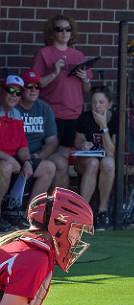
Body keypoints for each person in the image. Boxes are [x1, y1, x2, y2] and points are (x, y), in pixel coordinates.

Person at [32, 14, 93, 173]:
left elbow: (87, 90)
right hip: (52, 113)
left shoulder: (78, 56)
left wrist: (85, 78)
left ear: (72, 33)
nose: (64, 33)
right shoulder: (44, 53)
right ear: (52, 32)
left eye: (68, 29)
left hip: (74, 114)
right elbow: (35, 85)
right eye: (59, 29)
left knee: (65, 158)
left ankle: (61, 195)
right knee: (54, 158)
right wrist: (54, 72)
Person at [73, 86, 117, 230]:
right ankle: (82, 213)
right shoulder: (85, 117)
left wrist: (103, 126)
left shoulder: (116, 119)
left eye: (101, 102)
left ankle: (102, 211)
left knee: (108, 163)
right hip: (86, 161)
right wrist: (83, 144)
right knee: (92, 163)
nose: (97, 106)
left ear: (109, 104)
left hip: (105, 160)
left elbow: (111, 152)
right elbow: (77, 142)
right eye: (94, 102)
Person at [15, 70, 60, 201]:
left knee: (50, 167)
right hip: (15, 155)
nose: (33, 90)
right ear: (22, 89)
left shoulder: (44, 108)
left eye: (37, 87)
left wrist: (38, 156)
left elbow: (52, 141)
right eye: (29, 86)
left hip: (35, 156)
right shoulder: (13, 107)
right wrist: (26, 159)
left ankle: (30, 213)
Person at [0, 75, 36, 231]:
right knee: (6, 167)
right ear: (2, 91)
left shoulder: (16, 114)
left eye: (18, 92)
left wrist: (27, 161)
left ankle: (24, 214)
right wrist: (8, 158)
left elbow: (22, 145)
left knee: (48, 167)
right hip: (4, 160)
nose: (14, 95)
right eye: (11, 90)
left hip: (13, 159)